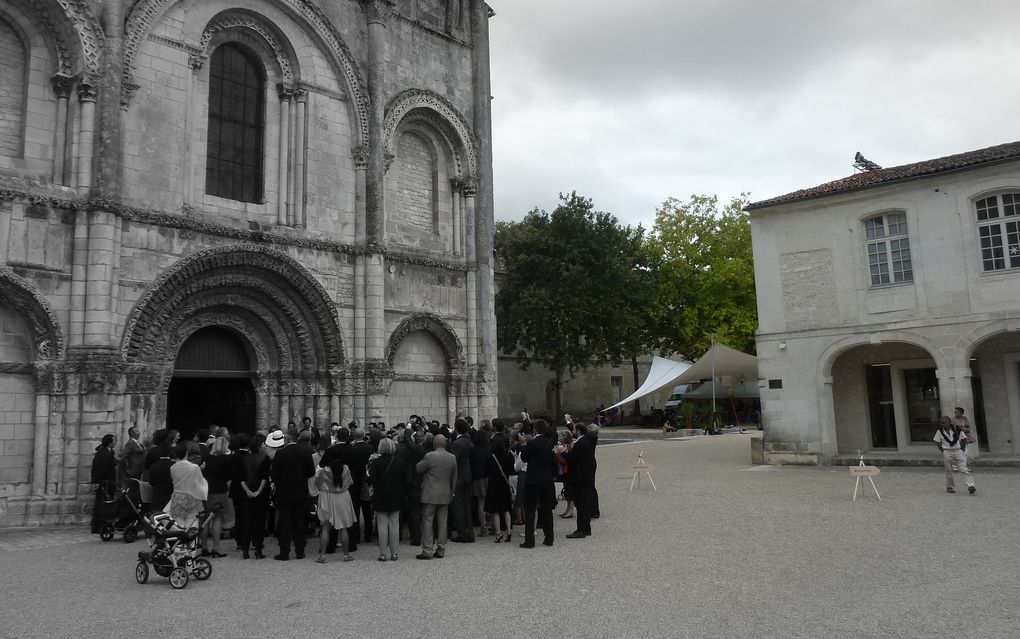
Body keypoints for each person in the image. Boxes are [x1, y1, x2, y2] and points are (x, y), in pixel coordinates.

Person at [270, 429, 315, 560]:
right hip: (300, 492)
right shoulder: (306, 452)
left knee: (285, 523)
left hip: (284, 492)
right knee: (299, 521)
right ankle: (300, 551)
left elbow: (274, 474)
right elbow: (311, 472)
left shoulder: (281, 453)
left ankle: (284, 552)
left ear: (288, 439)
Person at [415, 434, 457, 560]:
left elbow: (418, 468)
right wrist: (451, 493)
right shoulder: (452, 457)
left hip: (430, 494)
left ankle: (427, 549)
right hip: (445, 494)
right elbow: (454, 478)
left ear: (434, 443)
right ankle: (441, 549)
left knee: (428, 521)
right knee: (442, 522)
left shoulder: (429, 456)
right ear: (445, 444)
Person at [367, 437, 408, 561]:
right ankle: (394, 553)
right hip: (396, 495)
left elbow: (370, 480)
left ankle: (383, 553)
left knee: (382, 525)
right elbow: (406, 480)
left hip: (381, 495)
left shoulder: (376, 463)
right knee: (394, 524)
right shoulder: (400, 462)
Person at [519, 419, 556, 549]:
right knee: (546, 509)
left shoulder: (533, 444)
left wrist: (523, 445)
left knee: (530, 510)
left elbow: (524, 458)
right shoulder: (548, 443)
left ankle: (530, 541)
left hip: (533, 479)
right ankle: (549, 537)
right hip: (546, 479)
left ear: (535, 429)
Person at [234, 433, 271, 559]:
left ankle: (245, 550)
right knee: (259, 522)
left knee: (247, 520)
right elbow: (264, 478)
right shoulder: (264, 458)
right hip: (260, 493)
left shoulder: (243, 459)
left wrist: (248, 491)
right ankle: (258, 550)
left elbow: (241, 478)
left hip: (247, 492)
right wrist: (258, 492)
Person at [314, 455, 355, 563]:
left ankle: (322, 556)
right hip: (342, 498)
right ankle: (346, 555)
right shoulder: (345, 469)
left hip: (327, 498)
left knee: (325, 527)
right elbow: (349, 482)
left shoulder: (323, 471)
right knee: (343, 527)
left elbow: (317, 483)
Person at [201, 437, 232, 557]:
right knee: (217, 519)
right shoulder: (226, 459)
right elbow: (228, 476)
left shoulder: (207, 457)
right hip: (219, 490)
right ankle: (216, 547)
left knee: (205, 519)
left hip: (206, 490)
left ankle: (204, 546)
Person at [565, 422, 597, 538]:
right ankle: (586, 528)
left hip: (580, 477)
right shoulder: (587, 441)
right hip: (585, 476)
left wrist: (563, 452)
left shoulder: (581, 444)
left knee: (581, 504)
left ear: (578, 431)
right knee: (584, 503)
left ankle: (581, 529)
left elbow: (572, 459)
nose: (573, 432)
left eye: (574, 429)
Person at [166, 443, 208, 530]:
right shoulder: (194, 467)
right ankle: (190, 542)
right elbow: (200, 482)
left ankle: (179, 542)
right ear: (186, 453)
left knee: (178, 523)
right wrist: (201, 470)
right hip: (192, 497)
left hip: (177, 496)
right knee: (192, 522)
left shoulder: (172, 468)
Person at [934, 415, 976, 494]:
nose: (942, 424)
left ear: (949, 423)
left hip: (957, 450)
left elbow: (963, 439)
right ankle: (949, 486)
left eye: (943, 423)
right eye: (941, 423)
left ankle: (971, 485)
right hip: (947, 451)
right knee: (948, 469)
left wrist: (962, 449)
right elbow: (937, 442)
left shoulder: (957, 429)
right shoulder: (939, 431)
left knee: (963, 468)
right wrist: (943, 451)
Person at [484, 436, 515, 543]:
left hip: (494, 484)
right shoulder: (509, 455)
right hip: (505, 482)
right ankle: (509, 531)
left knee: (495, 510)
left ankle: (498, 533)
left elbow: (487, 471)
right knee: (506, 508)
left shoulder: (490, 457)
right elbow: (512, 469)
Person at [448, 419, 474, 543]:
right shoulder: (469, 441)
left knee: (458, 506)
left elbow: (453, 462)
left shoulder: (457, 443)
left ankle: (462, 533)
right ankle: (470, 532)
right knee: (467, 505)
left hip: (458, 477)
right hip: (468, 475)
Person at [90, 433, 117, 533]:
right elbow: (99, 469)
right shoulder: (104, 453)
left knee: (102, 503)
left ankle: (99, 525)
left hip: (105, 482)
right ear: (109, 442)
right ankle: (99, 525)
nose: (115, 442)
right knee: (102, 504)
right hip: (104, 483)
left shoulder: (107, 451)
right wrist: (96, 482)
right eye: (114, 440)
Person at [469, 428, 491, 537]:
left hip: (478, 477)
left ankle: (483, 527)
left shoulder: (473, 450)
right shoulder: (489, 448)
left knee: (480, 503)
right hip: (488, 477)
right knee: (490, 502)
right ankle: (494, 525)